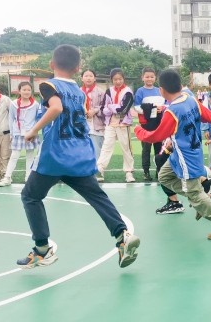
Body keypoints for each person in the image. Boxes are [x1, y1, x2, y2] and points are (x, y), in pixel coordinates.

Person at [17, 45, 140, 268]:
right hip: (80, 153)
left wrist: (34, 130)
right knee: (97, 196)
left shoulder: (49, 85)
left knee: (30, 196)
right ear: (77, 68)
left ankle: (42, 249)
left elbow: (55, 108)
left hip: (56, 155)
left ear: (51, 65)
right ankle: (122, 236)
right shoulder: (79, 92)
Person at [135, 73, 211, 240]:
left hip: (185, 158)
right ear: (180, 86)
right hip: (183, 153)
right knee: (165, 176)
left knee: (194, 193)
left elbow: (155, 136)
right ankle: (201, 201)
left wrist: (138, 130)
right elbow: (209, 116)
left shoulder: (172, 111)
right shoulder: (190, 99)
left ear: (161, 90)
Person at [97, 68, 137, 183]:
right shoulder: (109, 91)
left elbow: (123, 109)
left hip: (123, 123)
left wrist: (111, 107)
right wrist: (112, 107)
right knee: (106, 146)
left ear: (123, 79)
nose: (117, 81)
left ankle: (129, 172)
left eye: (120, 79)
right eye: (115, 79)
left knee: (126, 148)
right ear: (111, 80)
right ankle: (100, 169)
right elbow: (104, 108)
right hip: (110, 123)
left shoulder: (128, 91)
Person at [3, 81, 43, 186]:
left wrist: (34, 132)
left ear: (31, 91)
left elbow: (37, 119)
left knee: (30, 155)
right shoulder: (14, 103)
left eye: (28, 90)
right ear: (19, 91)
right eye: (24, 90)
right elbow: (11, 118)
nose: (26, 92)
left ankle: (28, 177)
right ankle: (7, 177)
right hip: (17, 133)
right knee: (14, 155)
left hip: (30, 134)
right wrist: (12, 134)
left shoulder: (35, 104)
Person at [134, 67, 162, 181]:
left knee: (159, 149)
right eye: (147, 77)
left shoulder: (159, 90)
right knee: (146, 149)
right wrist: (152, 110)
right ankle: (146, 172)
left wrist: (161, 109)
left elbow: (164, 104)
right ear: (142, 78)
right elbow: (137, 107)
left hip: (159, 124)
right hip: (146, 124)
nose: (149, 79)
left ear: (155, 78)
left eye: (151, 76)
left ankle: (159, 171)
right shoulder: (140, 91)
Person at [81, 70, 106, 160]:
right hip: (81, 126)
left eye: (91, 76)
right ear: (82, 78)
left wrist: (95, 111)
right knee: (82, 151)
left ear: (94, 78)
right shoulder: (78, 92)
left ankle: (96, 171)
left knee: (97, 150)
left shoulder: (101, 92)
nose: (88, 78)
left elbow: (105, 108)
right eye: (86, 76)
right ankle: (83, 172)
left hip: (97, 126)